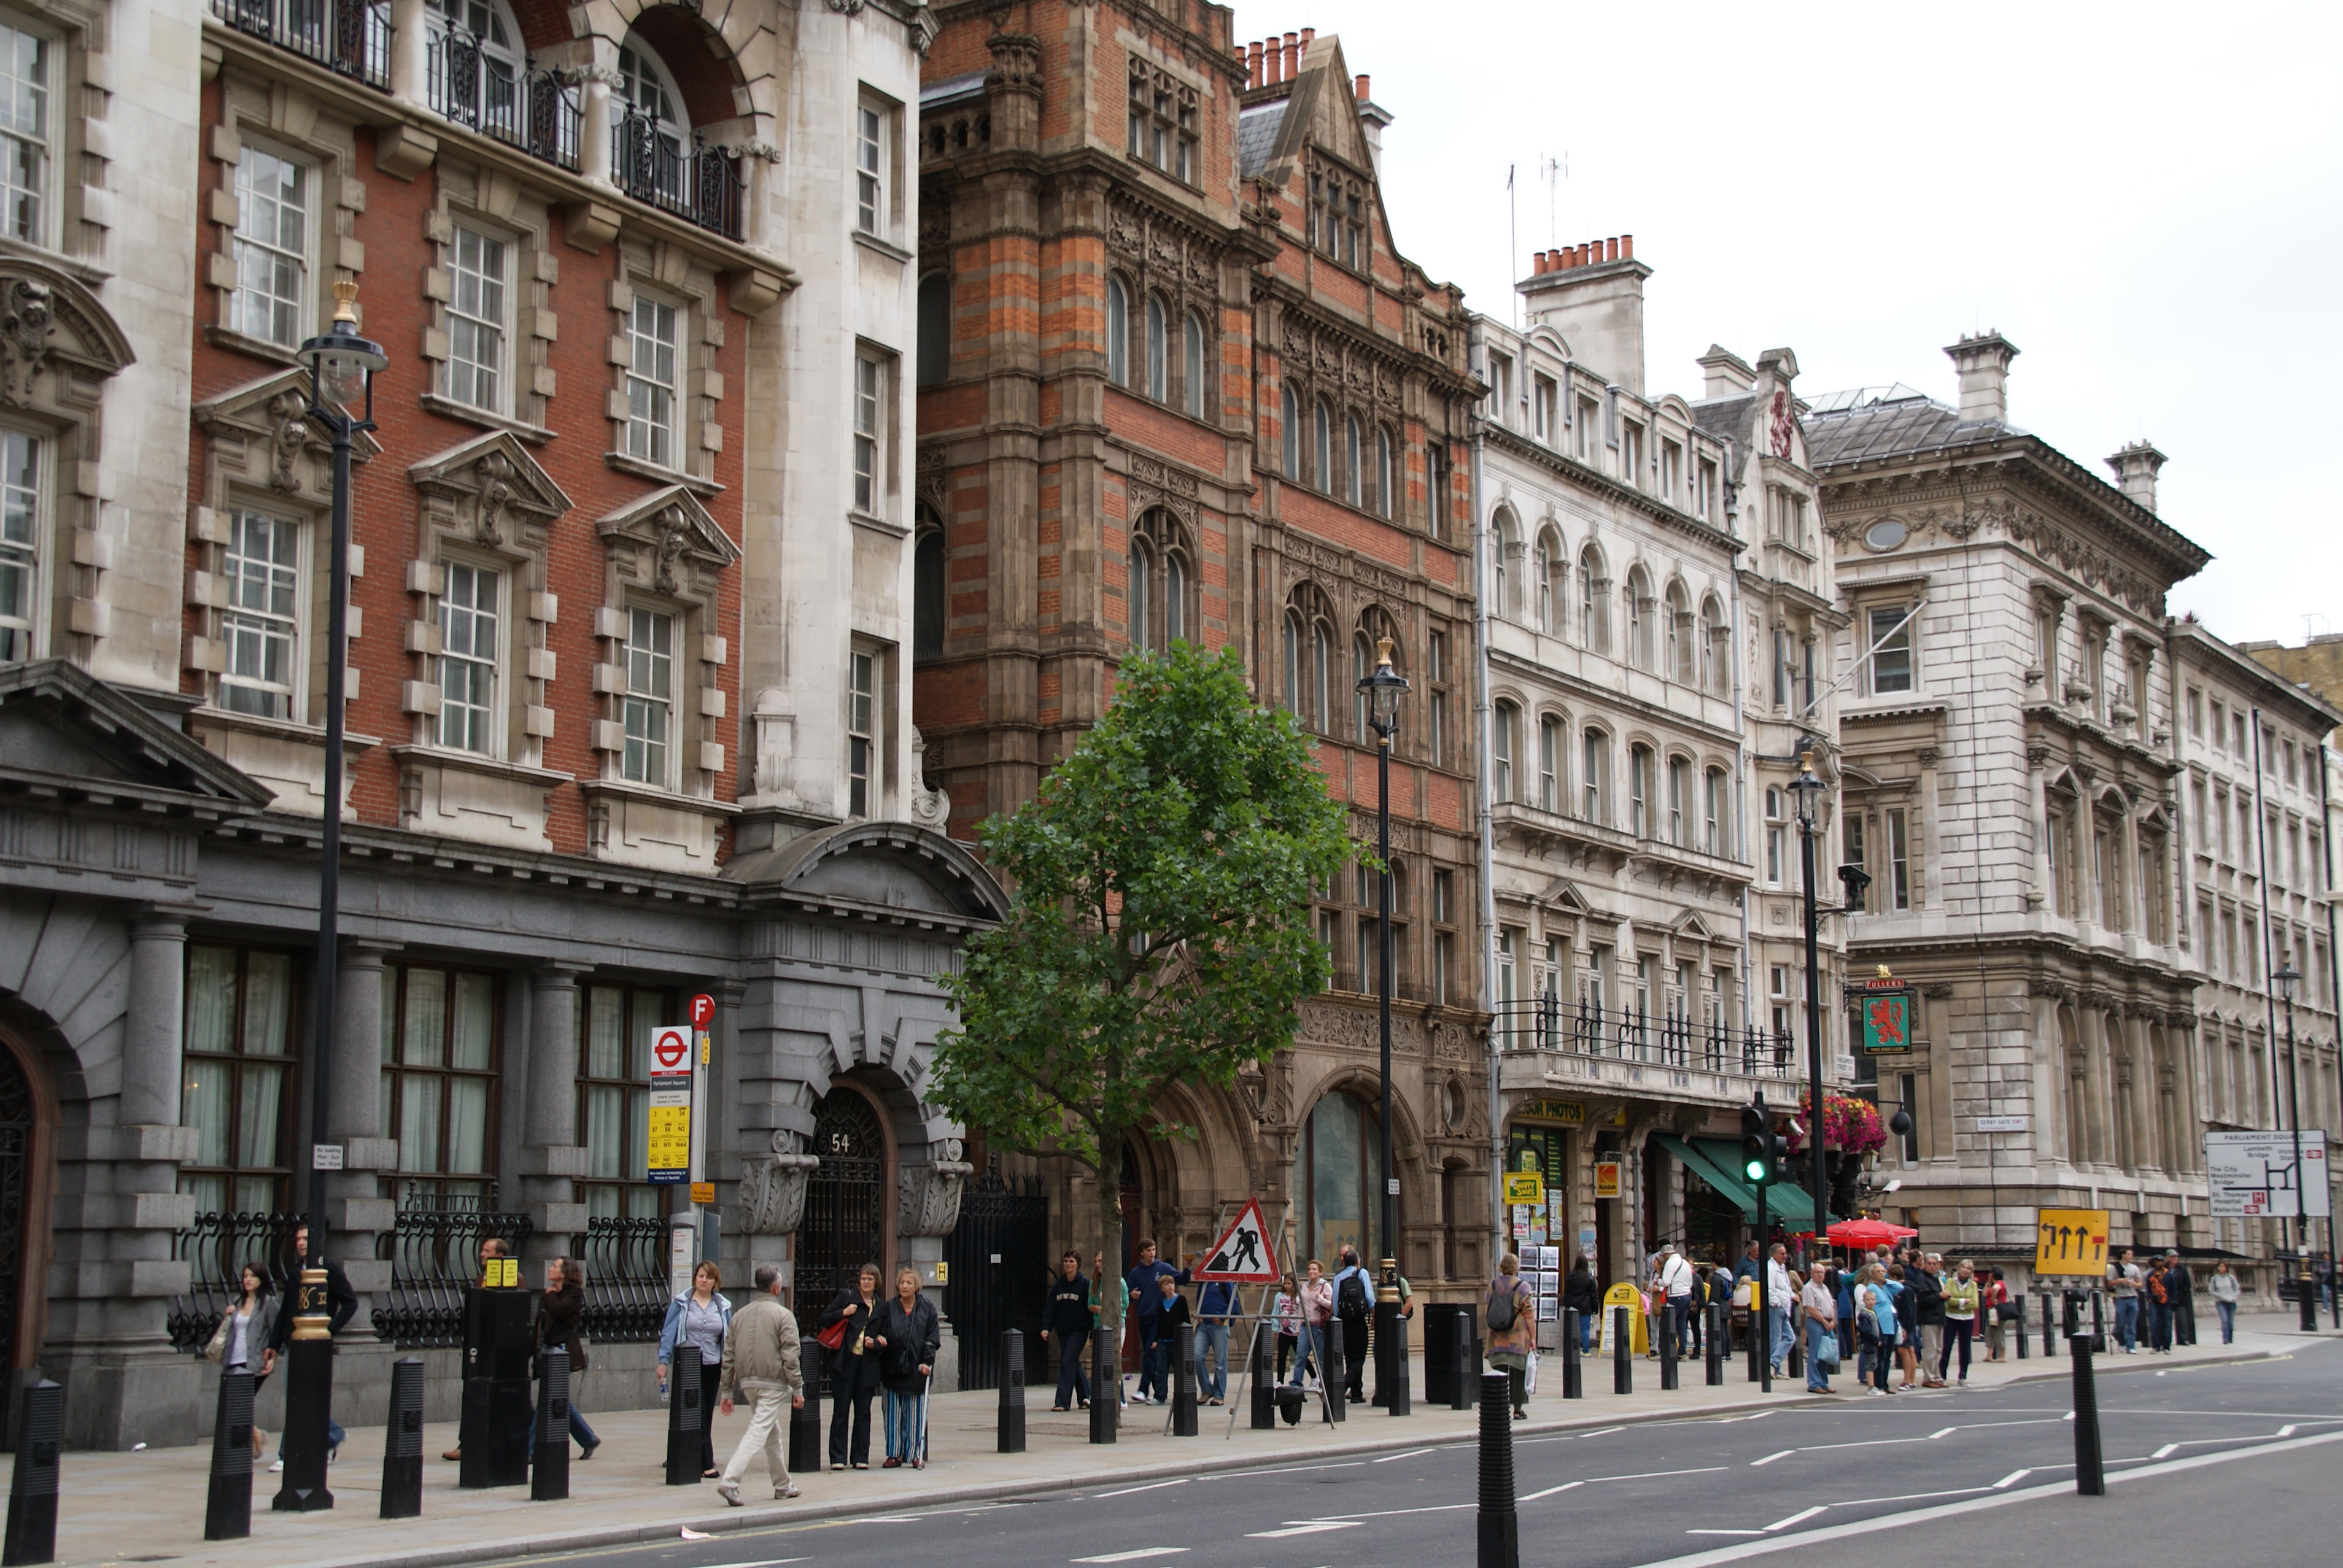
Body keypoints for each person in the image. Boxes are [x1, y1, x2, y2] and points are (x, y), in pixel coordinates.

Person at [266, 1222, 358, 1471]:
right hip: (294, 1342)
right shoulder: (296, 1271)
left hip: (316, 1344)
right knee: (295, 1398)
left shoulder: (330, 1270)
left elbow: (351, 1302)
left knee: (303, 1398)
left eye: (306, 1239)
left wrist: (328, 1329)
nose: (301, 1243)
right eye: (298, 1239)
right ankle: (332, 1436)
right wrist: (274, 1343)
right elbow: (287, 1309)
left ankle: (288, 1453)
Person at [715, 1264, 804, 1504]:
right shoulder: (784, 1315)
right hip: (773, 1383)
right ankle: (730, 1482)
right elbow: (791, 1355)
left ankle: (783, 1485)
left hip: (748, 1383)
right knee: (758, 1432)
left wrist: (727, 1391)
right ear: (776, 1288)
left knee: (771, 1432)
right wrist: (797, 1388)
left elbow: (729, 1355)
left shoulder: (740, 1315)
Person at [658, 1261, 732, 1477]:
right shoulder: (682, 1303)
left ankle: (688, 1453)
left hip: (712, 1364)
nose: (704, 1280)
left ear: (715, 1282)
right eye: (700, 1276)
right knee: (694, 1410)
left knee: (706, 1412)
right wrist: (663, 1361)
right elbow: (668, 1333)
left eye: (708, 1277)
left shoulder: (722, 1306)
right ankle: (706, 1463)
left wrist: (731, 1365)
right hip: (688, 1363)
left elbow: (729, 1337)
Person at [441, 1235, 510, 1462]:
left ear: (500, 1256)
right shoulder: (482, 1277)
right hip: (480, 1347)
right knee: (474, 1395)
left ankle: (522, 1444)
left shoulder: (512, 1278)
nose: (482, 1254)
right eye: (483, 1250)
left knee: (513, 1402)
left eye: (488, 1251)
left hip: (499, 1350)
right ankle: (467, 1444)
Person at [527, 1257, 601, 1460]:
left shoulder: (574, 1293)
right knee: (557, 1400)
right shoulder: (549, 1294)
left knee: (547, 1400)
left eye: (554, 1266)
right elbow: (540, 1325)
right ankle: (588, 1438)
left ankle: (530, 1449)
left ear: (564, 1273)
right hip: (546, 1349)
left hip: (561, 1352)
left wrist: (551, 1295)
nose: (550, 1269)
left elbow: (560, 1311)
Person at [204, 1262, 279, 1459]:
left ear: (261, 1280)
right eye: (246, 1276)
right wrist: (228, 1316)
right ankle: (255, 1437)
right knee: (235, 1404)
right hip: (233, 1360)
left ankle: (250, 1441)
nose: (248, 1280)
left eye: (252, 1276)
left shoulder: (269, 1303)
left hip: (255, 1363)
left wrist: (273, 1357)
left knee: (241, 1403)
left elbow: (276, 1332)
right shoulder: (237, 1302)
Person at [818, 1263, 883, 1470]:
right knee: (841, 1410)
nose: (866, 1282)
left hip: (868, 1364)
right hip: (846, 1362)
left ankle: (860, 1457)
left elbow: (886, 1335)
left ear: (876, 1282)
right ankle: (838, 1457)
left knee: (863, 1412)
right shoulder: (847, 1298)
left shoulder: (881, 1306)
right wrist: (843, 1313)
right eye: (863, 1278)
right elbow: (824, 1319)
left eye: (870, 1279)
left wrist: (877, 1343)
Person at [875, 1267, 939, 1469]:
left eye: (909, 1283)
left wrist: (927, 1362)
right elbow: (880, 1331)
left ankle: (915, 1454)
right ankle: (894, 1454)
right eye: (902, 1282)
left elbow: (932, 1339)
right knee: (892, 1414)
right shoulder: (889, 1308)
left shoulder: (927, 1308)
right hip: (893, 1367)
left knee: (916, 1415)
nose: (904, 1286)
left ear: (916, 1286)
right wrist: (880, 1340)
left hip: (917, 1369)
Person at [1125, 1239, 1191, 1405]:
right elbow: (1128, 1296)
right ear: (1142, 1253)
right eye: (1149, 1250)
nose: (1152, 1253)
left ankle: (1143, 1389)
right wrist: (1132, 1296)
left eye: (1153, 1250)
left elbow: (1182, 1279)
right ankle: (1158, 1392)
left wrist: (1187, 1268)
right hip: (1143, 1316)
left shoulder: (1164, 1268)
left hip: (1158, 1317)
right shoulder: (1136, 1273)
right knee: (1153, 1355)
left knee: (1150, 1351)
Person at [1485, 1254, 1536, 1419]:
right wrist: (1533, 1338)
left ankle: (1499, 1409)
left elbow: (1489, 1305)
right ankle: (1518, 1409)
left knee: (1499, 1375)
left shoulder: (1493, 1285)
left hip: (1497, 1337)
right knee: (1518, 1375)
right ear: (1516, 1267)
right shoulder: (1523, 1287)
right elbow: (1528, 1315)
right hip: (1517, 1338)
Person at [1040, 1251, 1093, 1412]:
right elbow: (1051, 1308)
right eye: (1066, 1261)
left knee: (1067, 1361)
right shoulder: (1058, 1286)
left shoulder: (1085, 1284)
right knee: (1072, 1362)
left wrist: (1092, 1332)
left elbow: (1089, 1309)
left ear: (1078, 1264)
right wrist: (1046, 1326)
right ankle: (1086, 1397)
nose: (1068, 1264)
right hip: (1063, 1330)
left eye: (1071, 1261)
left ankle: (1062, 1402)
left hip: (1079, 1330)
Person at [1330, 1245, 1375, 1402]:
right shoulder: (1362, 1273)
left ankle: (1357, 1392)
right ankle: (1344, 1384)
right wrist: (1373, 1317)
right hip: (1358, 1320)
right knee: (1359, 1356)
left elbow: (1335, 1304)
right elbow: (1370, 1298)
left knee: (1349, 1356)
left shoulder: (1338, 1278)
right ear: (1357, 1261)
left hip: (1343, 1321)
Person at [1285, 1260, 1332, 1388]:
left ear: (1320, 1272)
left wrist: (1320, 1299)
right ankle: (1297, 1383)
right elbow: (1302, 1307)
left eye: (1314, 1269)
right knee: (1301, 1354)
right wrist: (1298, 1327)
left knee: (1321, 1356)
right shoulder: (1305, 1286)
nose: (1311, 1271)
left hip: (1319, 1325)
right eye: (1309, 1269)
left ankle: (1324, 1383)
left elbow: (1332, 1305)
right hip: (1306, 1325)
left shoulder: (1325, 1286)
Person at [1195, 1274, 1237, 1406]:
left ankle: (1219, 1394)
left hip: (1219, 1325)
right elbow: (1199, 1297)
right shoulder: (1204, 1280)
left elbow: (1233, 1302)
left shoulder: (1224, 1279)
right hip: (1204, 1324)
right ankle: (1207, 1389)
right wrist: (1199, 1314)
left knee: (1220, 1361)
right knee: (1196, 1356)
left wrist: (1224, 1318)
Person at [1938, 1258, 1979, 1385]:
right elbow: (1949, 1300)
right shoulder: (1951, 1282)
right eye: (1963, 1267)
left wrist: (1958, 1303)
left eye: (1968, 1269)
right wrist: (1963, 1302)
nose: (1965, 1270)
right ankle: (1942, 1376)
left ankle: (1962, 1376)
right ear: (1959, 1268)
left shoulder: (1973, 1285)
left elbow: (1974, 1303)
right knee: (1947, 1347)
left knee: (1965, 1348)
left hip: (1967, 1319)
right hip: (1951, 1317)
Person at [1910, 1254, 1948, 1387]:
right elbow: (1923, 1299)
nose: (1932, 1266)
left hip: (1939, 1317)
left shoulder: (1936, 1278)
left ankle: (1936, 1376)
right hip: (1928, 1318)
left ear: (1938, 1265)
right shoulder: (1921, 1278)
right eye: (1929, 1263)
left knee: (1938, 1349)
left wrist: (1943, 1296)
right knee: (1930, 1349)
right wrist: (1939, 1296)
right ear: (1924, 1264)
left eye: (1934, 1264)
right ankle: (1928, 1377)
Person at [1652, 1245, 1695, 1360]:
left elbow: (1666, 1282)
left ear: (1666, 1254)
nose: (1663, 1258)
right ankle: (1682, 1352)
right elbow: (1691, 1283)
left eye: (1663, 1256)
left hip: (1675, 1297)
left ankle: (1664, 1352)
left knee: (1665, 1324)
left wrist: (1658, 1282)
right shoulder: (1685, 1263)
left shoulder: (1670, 1263)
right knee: (1682, 1326)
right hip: (1686, 1296)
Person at [1801, 1261, 1837, 1394]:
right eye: (1817, 1272)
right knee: (1815, 1355)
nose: (1820, 1275)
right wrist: (1824, 1322)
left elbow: (1831, 1305)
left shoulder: (1825, 1288)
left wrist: (1833, 1320)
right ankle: (1814, 1384)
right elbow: (1811, 1309)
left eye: (1822, 1272)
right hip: (1816, 1323)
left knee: (1825, 1354)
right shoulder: (1809, 1288)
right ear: (1812, 1274)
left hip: (1828, 1323)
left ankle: (1823, 1383)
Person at [1765, 1243, 1795, 1377]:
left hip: (1784, 1307)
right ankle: (1774, 1368)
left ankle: (1774, 1363)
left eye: (1785, 1253)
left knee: (1790, 1337)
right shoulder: (1770, 1268)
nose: (1785, 1256)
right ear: (1774, 1255)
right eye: (1782, 1254)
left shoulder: (1782, 1268)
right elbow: (1770, 1289)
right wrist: (1777, 1303)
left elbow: (1786, 1287)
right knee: (1776, 1339)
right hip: (1776, 1308)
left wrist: (1792, 1296)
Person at [1563, 1255, 1600, 1355]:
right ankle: (1586, 1350)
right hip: (1585, 1306)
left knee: (1572, 1329)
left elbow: (1566, 1292)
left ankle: (1572, 1349)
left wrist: (1567, 1305)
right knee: (1585, 1329)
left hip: (1572, 1305)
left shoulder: (1570, 1276)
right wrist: (1595, 1308)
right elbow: (1594, 1295)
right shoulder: (1589, 1277)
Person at [2142, 1249, 2173, 1353]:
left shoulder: (2168, 1275)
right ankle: (2156, 1346)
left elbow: (2173, 1289)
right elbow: (2148, 1287)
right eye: (2156, 1262)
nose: (2158, 1263)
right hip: (2154, 1303)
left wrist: (2171, 1301)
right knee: (2154, 1324)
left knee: (2167, 1325)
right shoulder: (2151, 1275)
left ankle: (2166, 1346)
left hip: (2166, 1302)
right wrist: (2150, 1297)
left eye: (2160, 1261)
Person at [1272, 1272, 1301, 1381]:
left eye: (1289, 1284)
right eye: (1285, 1283)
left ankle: (1314, 1376)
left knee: (1300, 1355)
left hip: (1296, 1331)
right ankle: (1280, 1381)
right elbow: (1276, 1311)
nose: (1286, 1286)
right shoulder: (1279, 1296)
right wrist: (1275, 1328)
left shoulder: (1299, 1296)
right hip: (1283, 1330)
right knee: (1282, 1356)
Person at [2167, 1254, 2197, 1346]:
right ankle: (2167, 1339)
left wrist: (2182, 1293)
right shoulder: (2164, 1269)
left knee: (2181, 1320)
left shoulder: (2182, 1269)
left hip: (2180, 1297)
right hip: (2167, 1297)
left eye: (2176, 1257)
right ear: (2168, 1258)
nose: (2175, 1259)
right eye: (2172, 1257)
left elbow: (2187, 1284)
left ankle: (2183, 1339)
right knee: (2167, 1320)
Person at [1981, 1267, 2011, 1362]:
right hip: (1992, 1312)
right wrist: (1988, 1283)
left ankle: (2003, 1356)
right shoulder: (1992, 1285)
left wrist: (1993, 1299)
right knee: (1989, 1332)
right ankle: (1989, 1355)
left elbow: (1996, 1289)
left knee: (1999, 1331)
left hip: (1998, 1312)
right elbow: (1984, 1294)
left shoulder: (2000, 1283)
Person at [2209, 1259, 2241, 1343]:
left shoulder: (2230, 1278)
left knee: (2230, 1321)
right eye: (2220, 1267)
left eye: (2223, 1267)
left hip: (2231, 1302)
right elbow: (2211, 1290)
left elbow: (2237, 1289)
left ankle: (2230, 1337)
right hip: (2221, 1302)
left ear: (2226, 1268)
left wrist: (2233, 1297)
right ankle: (2225, 1338)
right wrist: (2220, 1296)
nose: (2222, 1268)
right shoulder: (2215, 1278)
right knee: (2224, 1320)